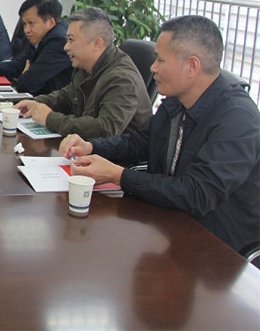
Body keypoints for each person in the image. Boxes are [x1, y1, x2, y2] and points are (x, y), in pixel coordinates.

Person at [60, 16, 260, 253]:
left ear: (192, 66)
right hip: (166, 222)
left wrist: (119, 175)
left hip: (217, 247)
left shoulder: (237, 118)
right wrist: (92, 146)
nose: (152, 68)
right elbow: (139, 143)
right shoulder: (177, 101)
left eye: (160, 60)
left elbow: (198, 194)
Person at [16, 7, 151, 138]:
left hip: (114, 153)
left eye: (71, 40)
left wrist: (50, 119)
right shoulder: (86, 64)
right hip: (83, 146)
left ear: (97, 44)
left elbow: (105, 128)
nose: (66, 47)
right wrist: (35, 103)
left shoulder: (121, 78)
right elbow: (66, 96)